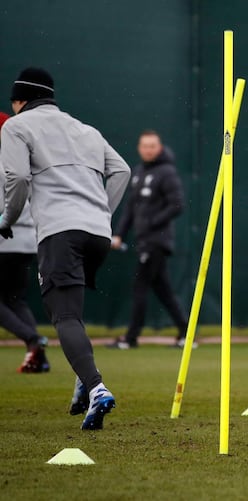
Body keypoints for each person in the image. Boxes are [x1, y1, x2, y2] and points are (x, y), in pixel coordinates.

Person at [0, 67, 131, 430]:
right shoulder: (85, 129)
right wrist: (102, 212)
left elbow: (19, 178)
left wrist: (7, 219)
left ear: (20, 101)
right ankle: (83, 379)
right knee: (73, 312)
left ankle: (96, 388)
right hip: (98, 234)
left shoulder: (16, 126)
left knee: (65, 317)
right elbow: (121, 171)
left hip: (61, 231)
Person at [107, 130, 189, 350]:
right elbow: (130, 209)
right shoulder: (138, 172)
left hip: (157, 242)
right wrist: (119, 234)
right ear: (139, 148)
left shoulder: (167, 172)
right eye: (145, 146)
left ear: (159, 147)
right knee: (163, 290)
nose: (148, 150)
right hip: (144, 241)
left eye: (152, 146)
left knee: (140, 287)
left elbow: (177, 204)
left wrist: (152, 222)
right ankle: (185, 333)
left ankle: (131, 337)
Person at [0, 111, 49, 373]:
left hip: (5, 239)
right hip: (28, 240)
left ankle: (32, 339)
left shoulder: (4, 161)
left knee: (9, 299)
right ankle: (40, 358)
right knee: (15, 298)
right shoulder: (28, 159)